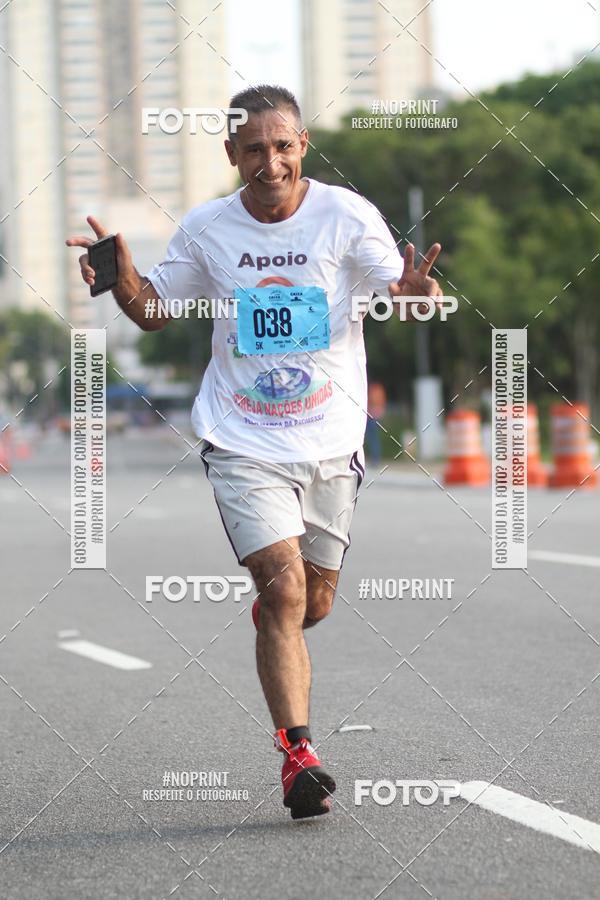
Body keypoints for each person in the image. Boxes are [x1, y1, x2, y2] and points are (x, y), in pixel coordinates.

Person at [66, 84, 442, 820]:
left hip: (332, 437)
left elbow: (401, 293)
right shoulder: (209, 229)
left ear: (301, 146)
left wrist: (418, 293)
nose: (269, 162)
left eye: (282, 146)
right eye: (253, 150)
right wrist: (120, 278)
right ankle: (299, 756)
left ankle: (277, 621)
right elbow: (153, 311)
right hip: (242, 439)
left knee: (315, 603)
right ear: (231, 154)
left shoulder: (346, 215)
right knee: (284, 589)